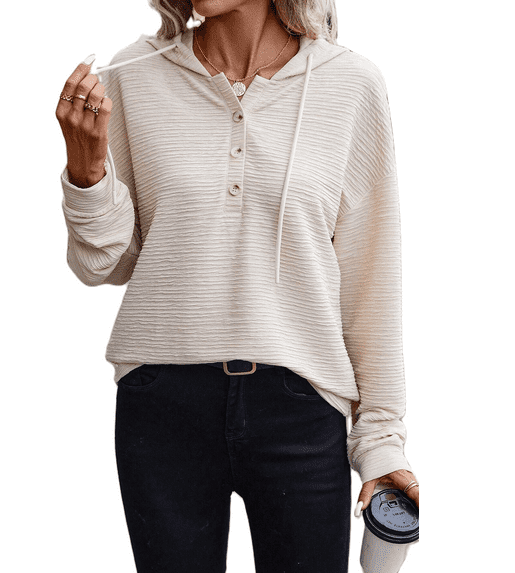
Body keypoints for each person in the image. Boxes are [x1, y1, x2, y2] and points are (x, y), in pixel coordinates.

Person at [55, 1, 419, 571]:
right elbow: (103, 264)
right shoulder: (132, 76)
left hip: (302, 408)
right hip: (162, 406)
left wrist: (381, 442)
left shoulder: (351, 83)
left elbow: (372, 281)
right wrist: (87, 172)